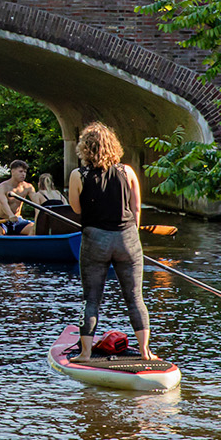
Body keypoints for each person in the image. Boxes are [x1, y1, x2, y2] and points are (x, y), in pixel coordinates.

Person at [67, 121, 155, 362]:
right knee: (135, 297)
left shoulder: (78, 175)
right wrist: (131, 237)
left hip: (95, 239)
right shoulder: (128, 172)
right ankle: (146, 352)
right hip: (127, 238)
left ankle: (85, 353)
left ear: (85, 148)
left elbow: (77, 208)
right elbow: (136, 209)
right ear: (113, 146)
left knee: (91, 298)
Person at [0, 159, 37, 235]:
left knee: (35, 229)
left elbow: (37, 203)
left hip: (18, 220)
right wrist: (10, 215)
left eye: (25, 172)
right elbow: (4, 204)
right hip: (2, 220)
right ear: (12, 172)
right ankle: (3, 245)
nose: (23, 174)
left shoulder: (28, 187)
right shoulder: (2, 187)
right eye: (20, 171)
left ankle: (26, 245)